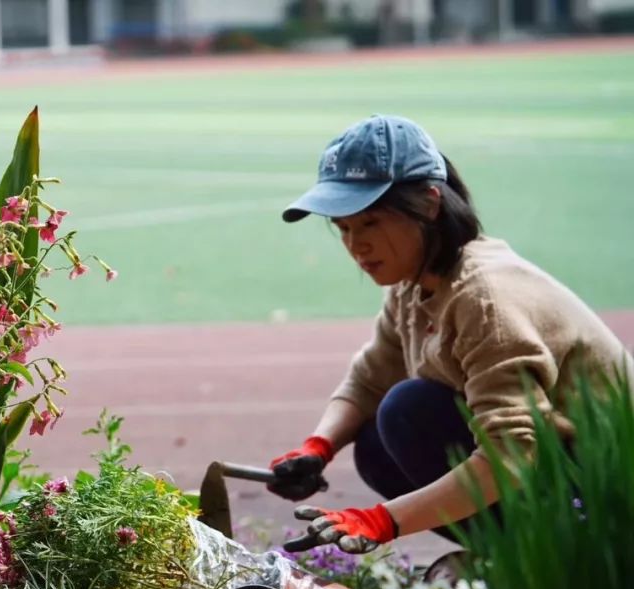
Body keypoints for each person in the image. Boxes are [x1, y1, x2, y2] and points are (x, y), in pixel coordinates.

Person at [271, 114, 634, 554]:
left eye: (370, 222)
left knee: (410, 409)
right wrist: (318, 447)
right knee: (373, 442)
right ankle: (516, 559)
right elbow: (368, 380)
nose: (355, 245)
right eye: (344, 228)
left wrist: (383, 521)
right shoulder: (415, 282)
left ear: (428, 204)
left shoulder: (486, 299)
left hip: (612, 486)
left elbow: (513, 452)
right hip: (561, 466)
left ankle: (570, 553)